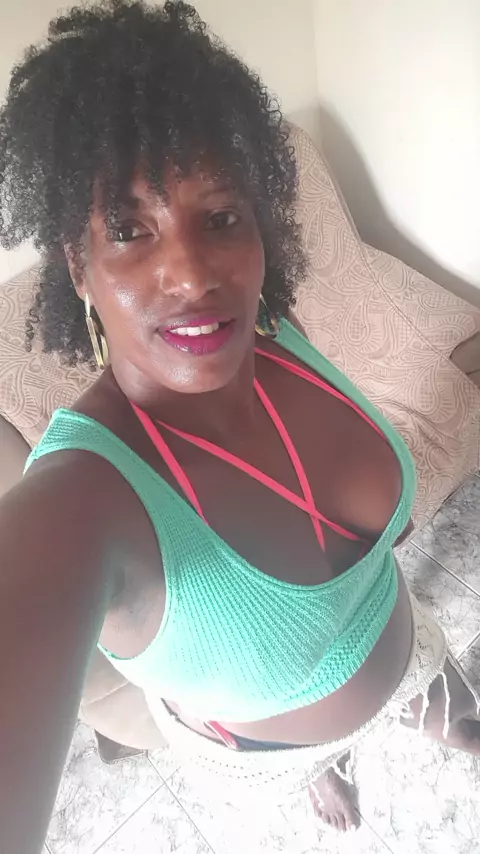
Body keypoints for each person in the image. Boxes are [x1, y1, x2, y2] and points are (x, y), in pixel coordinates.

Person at [1, 2, 479, 851]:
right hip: (266, 752)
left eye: (220, 216)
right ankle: (323, 769)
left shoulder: (275, 337)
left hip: (406, 646)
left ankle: (433, 712)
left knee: (454, 709)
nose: (191, 274)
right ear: (78, 263)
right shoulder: (78, 503)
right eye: (129, 230)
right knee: (315, 763)